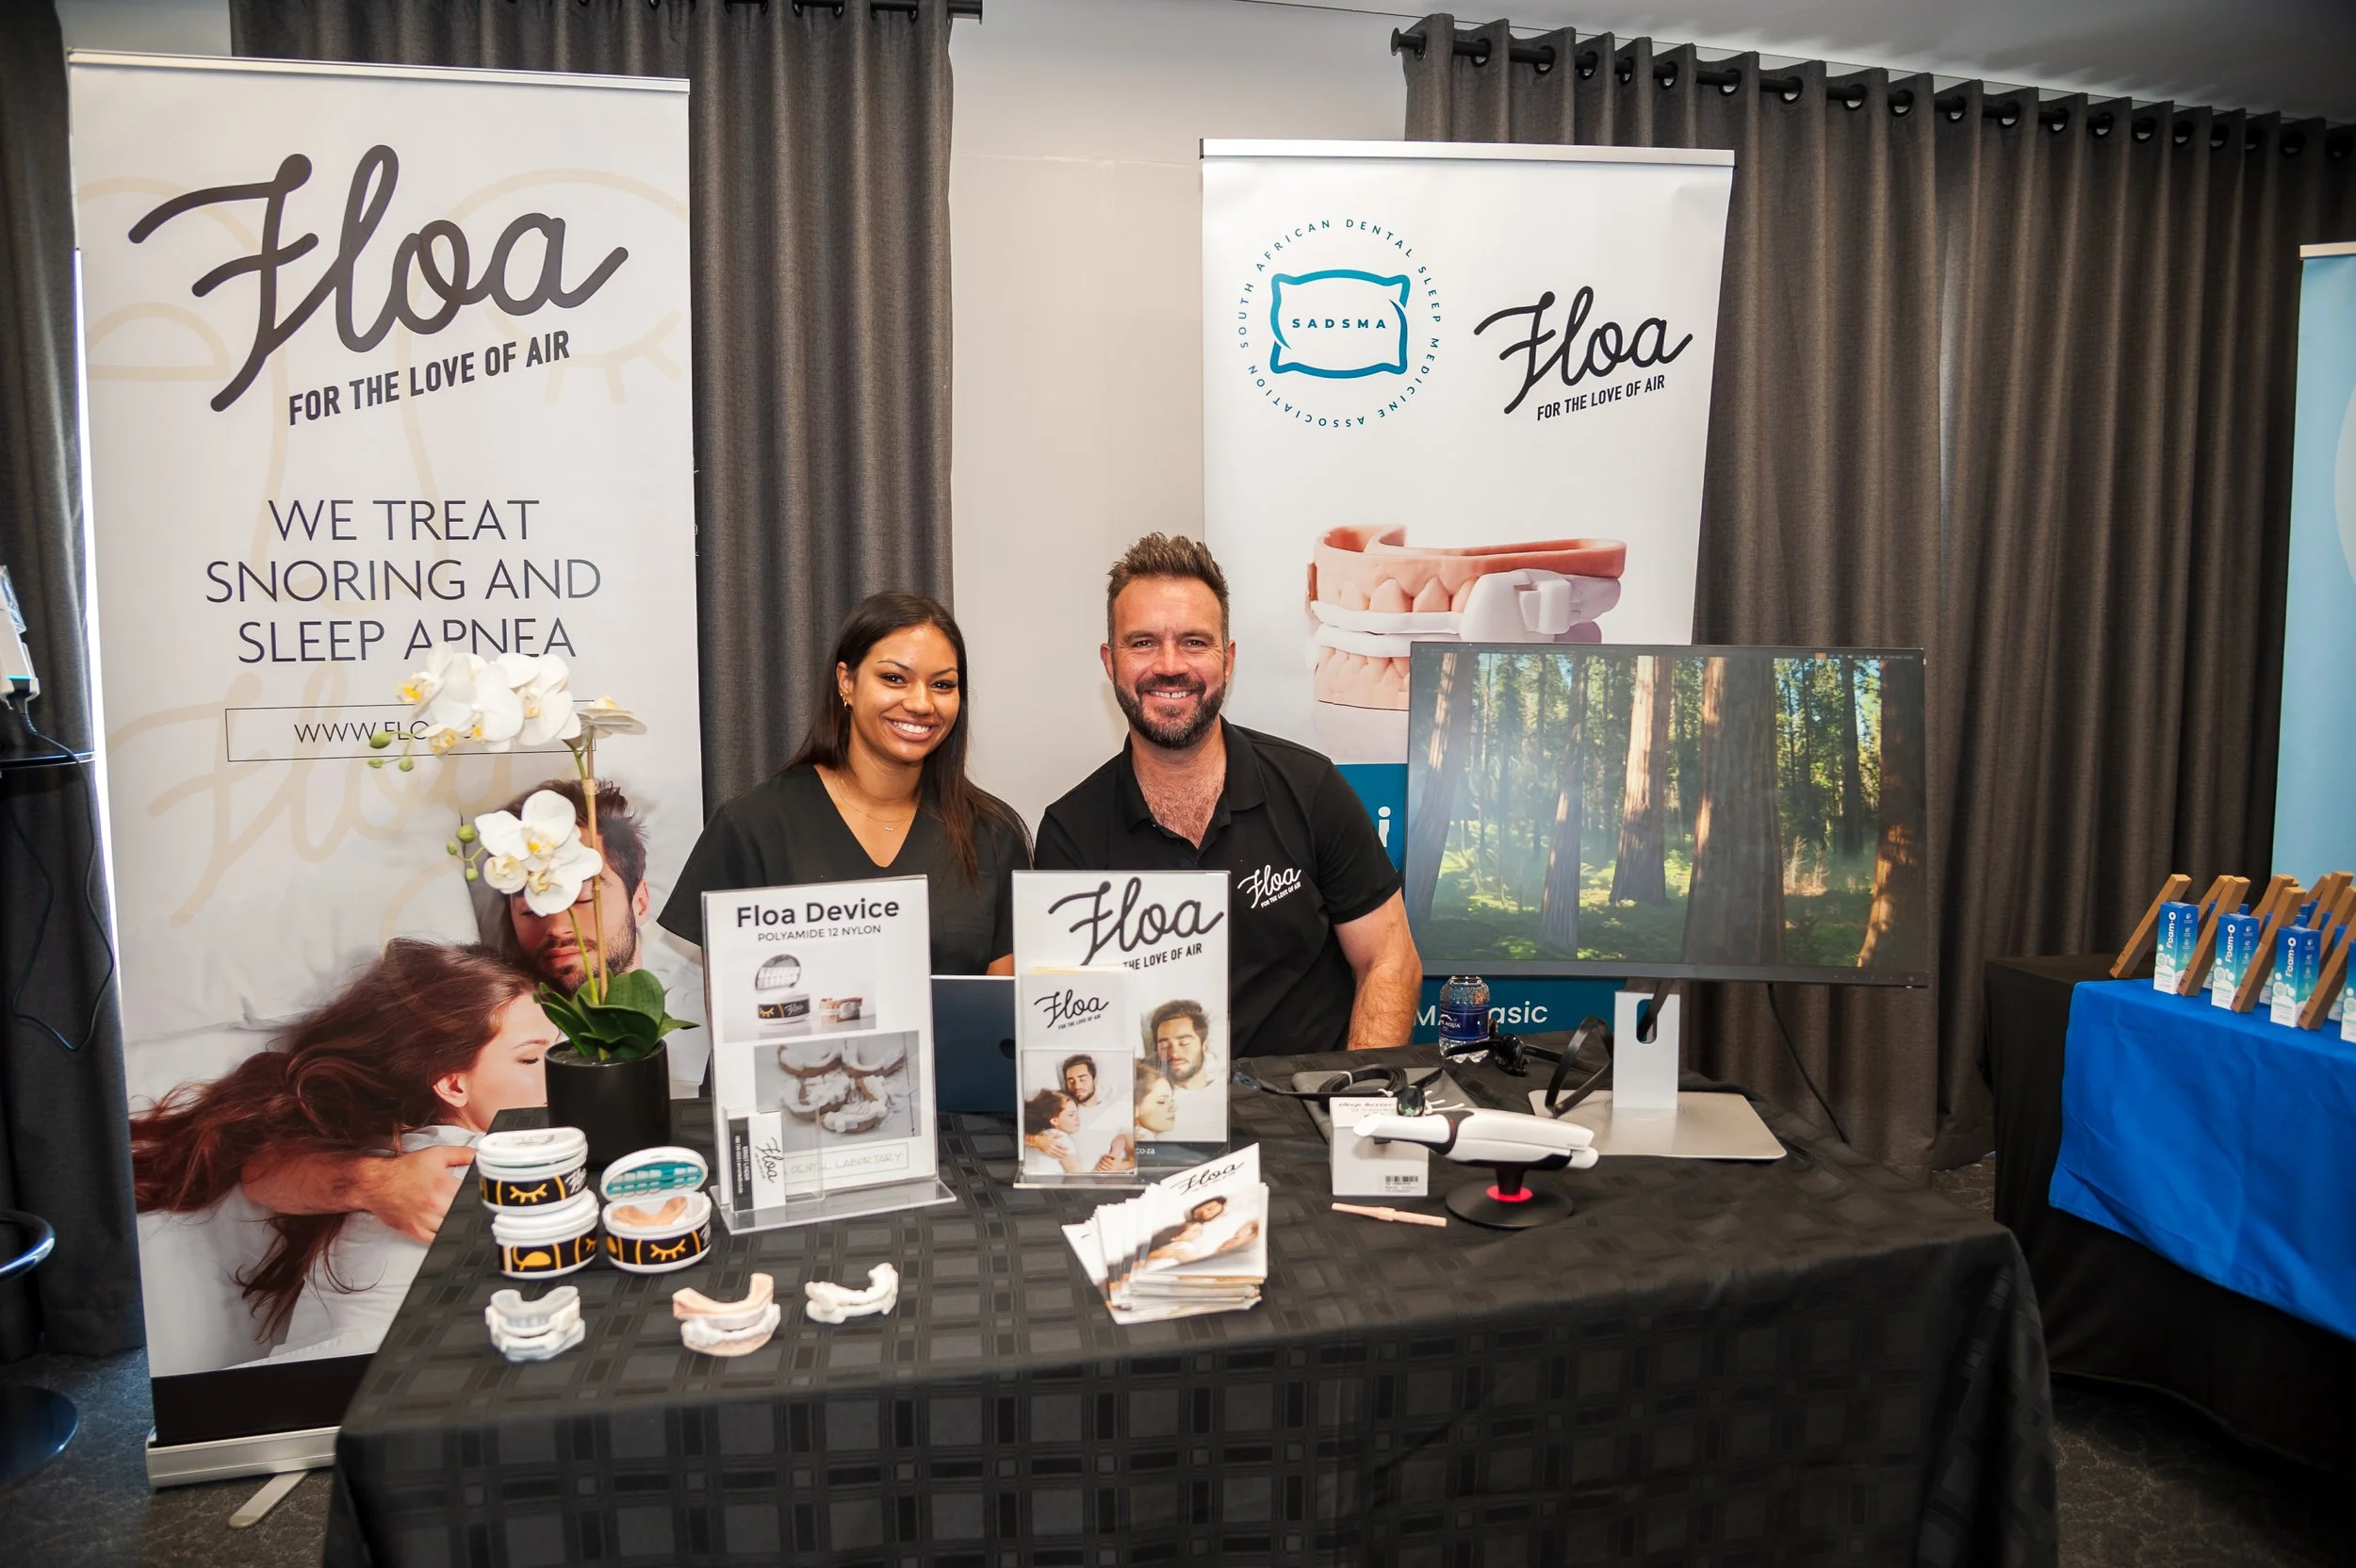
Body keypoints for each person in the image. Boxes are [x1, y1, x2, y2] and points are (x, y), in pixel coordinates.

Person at [1035, 534, 1420, 1055]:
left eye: (1194, 642)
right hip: (1156, 1125)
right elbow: (1070, 1025)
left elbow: (1388, 959)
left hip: (1311, 1118)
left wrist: (1354, 1105)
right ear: (1110, 661)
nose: (1170, 664)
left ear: (1228, 658)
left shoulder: (1312, 789)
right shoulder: (1070, 832)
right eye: (1143, 642)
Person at [239, 778, 657, 1241]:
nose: (557, 924)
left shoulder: (702, 1002)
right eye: (531, 905)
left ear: (639, 901)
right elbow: (263, 1168)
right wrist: (374, 1182)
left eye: (581, 898)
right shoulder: (494, 1015)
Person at [131, 941, 555, 1359]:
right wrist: (374, 1182)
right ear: (453, 1084)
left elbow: (263, 1177)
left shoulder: (397, 1153)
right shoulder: (447, 1163)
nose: (560, 1072)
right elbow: (261, 1175)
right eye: (530, 1060)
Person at [662, 591, 1031, 975]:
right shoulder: (753, 827)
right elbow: (735, 1014)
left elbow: (1001, 1017)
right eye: (894, 678)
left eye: (942, 685)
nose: (922, 704)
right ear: (847, 682)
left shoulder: (993, 834)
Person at [1147, 1000, 1223, 1139]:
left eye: (1184, 1043)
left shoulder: (1226, 1091)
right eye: (1164, 1046)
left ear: (1205, 1046)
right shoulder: (1148, 1101)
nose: (1174, 1053)